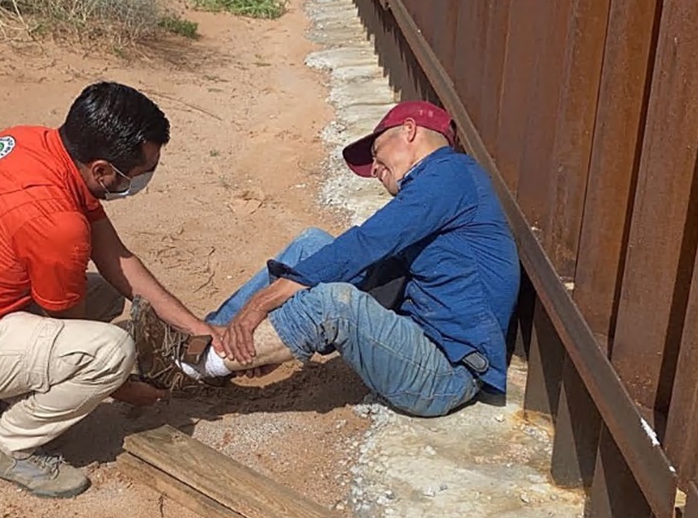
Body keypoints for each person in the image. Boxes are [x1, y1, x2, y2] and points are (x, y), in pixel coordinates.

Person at [0, 81, 216, 499]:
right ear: (102, 171)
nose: (144, 179)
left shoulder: (30, 144)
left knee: (104, 293)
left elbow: (116, 258)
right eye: (140, 173)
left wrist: (196, 326)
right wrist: (127, 388)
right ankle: (8, 446)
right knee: (110, 352)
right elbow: (73, 331)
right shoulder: (57, 223)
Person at [133, 100, 519, 417]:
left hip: (445, 373)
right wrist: (276, 335)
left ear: (410, 130)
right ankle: (205, 338)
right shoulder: (440, 189)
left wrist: (261, 306)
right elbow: (376, 276)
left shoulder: (450, 174)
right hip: (412, 342)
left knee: (334, 302)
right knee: (312, 244)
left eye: (377, 155)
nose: (376, 172)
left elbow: (365, 245)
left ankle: (195, 366)